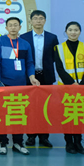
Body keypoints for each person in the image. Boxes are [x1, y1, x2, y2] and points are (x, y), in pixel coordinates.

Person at [0, 17, 40, 156]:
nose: (13, 28)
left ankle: (18, 143)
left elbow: (29, 63)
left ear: (20, 27)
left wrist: (32, 77)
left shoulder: (25, 44)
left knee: (18, 114)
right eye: (10, 25)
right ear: (6, 28)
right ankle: (2, 142)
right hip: (3, 84)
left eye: (15, 25)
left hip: (20, 86)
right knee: (2, 115)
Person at [20, 10, 59, 148]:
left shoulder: (52, 38)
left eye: (41, 18)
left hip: (46, 76)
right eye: (35, 18)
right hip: (29, 76)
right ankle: (30, 136)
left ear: (45, 21)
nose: (38, 21)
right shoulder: (23, 37)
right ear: (31, 21)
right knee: (30, 107)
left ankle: (44, 137)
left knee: (45, 107)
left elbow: (55, 58)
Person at [53, 21, 84, 155]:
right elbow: (59, 68)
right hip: (66, 88)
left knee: (79, 115)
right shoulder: (58, 48)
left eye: (76, 30)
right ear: (66, 32)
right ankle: (68, 142)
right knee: (68, 115)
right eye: (70, 30)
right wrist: (72, 84)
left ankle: (78, 142)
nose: (73, 32)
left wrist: (82, 84)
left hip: (83, 88)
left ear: (80, 32)